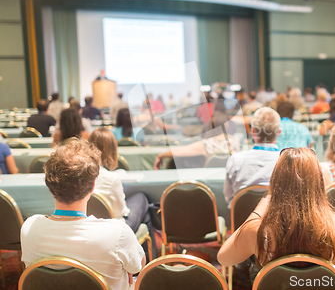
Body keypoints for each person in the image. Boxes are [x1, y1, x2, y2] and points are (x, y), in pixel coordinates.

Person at [21, 139, 145, 290]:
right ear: (93, 186)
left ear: (50, 185)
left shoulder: (28, 229)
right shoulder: (117, 233)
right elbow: (138, 267)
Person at [218, 148, 335, 280]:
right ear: (318, 183)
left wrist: (259, 210)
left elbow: (223, 258)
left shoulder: (258, 231)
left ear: (275, 183)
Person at [89, 128, 157, 258]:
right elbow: (121, 213)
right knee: (142, 200)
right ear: (112, 150)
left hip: (91, 226)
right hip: (115, 229)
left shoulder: (81, 175)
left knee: (144, 215)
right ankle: (150, 264)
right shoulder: (112, 178)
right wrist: (125, 203)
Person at [154, 102, 240, 169]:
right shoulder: (236, 140)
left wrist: (161, 156)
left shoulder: (207, 144)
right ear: (226, 125)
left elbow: (179, 151)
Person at [224, 107, 281, 205]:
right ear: (278, 132)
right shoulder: (287, 162)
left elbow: (229, 198)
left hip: (241, 219)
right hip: (276, 220)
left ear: (253, 131)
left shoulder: (235, 160)